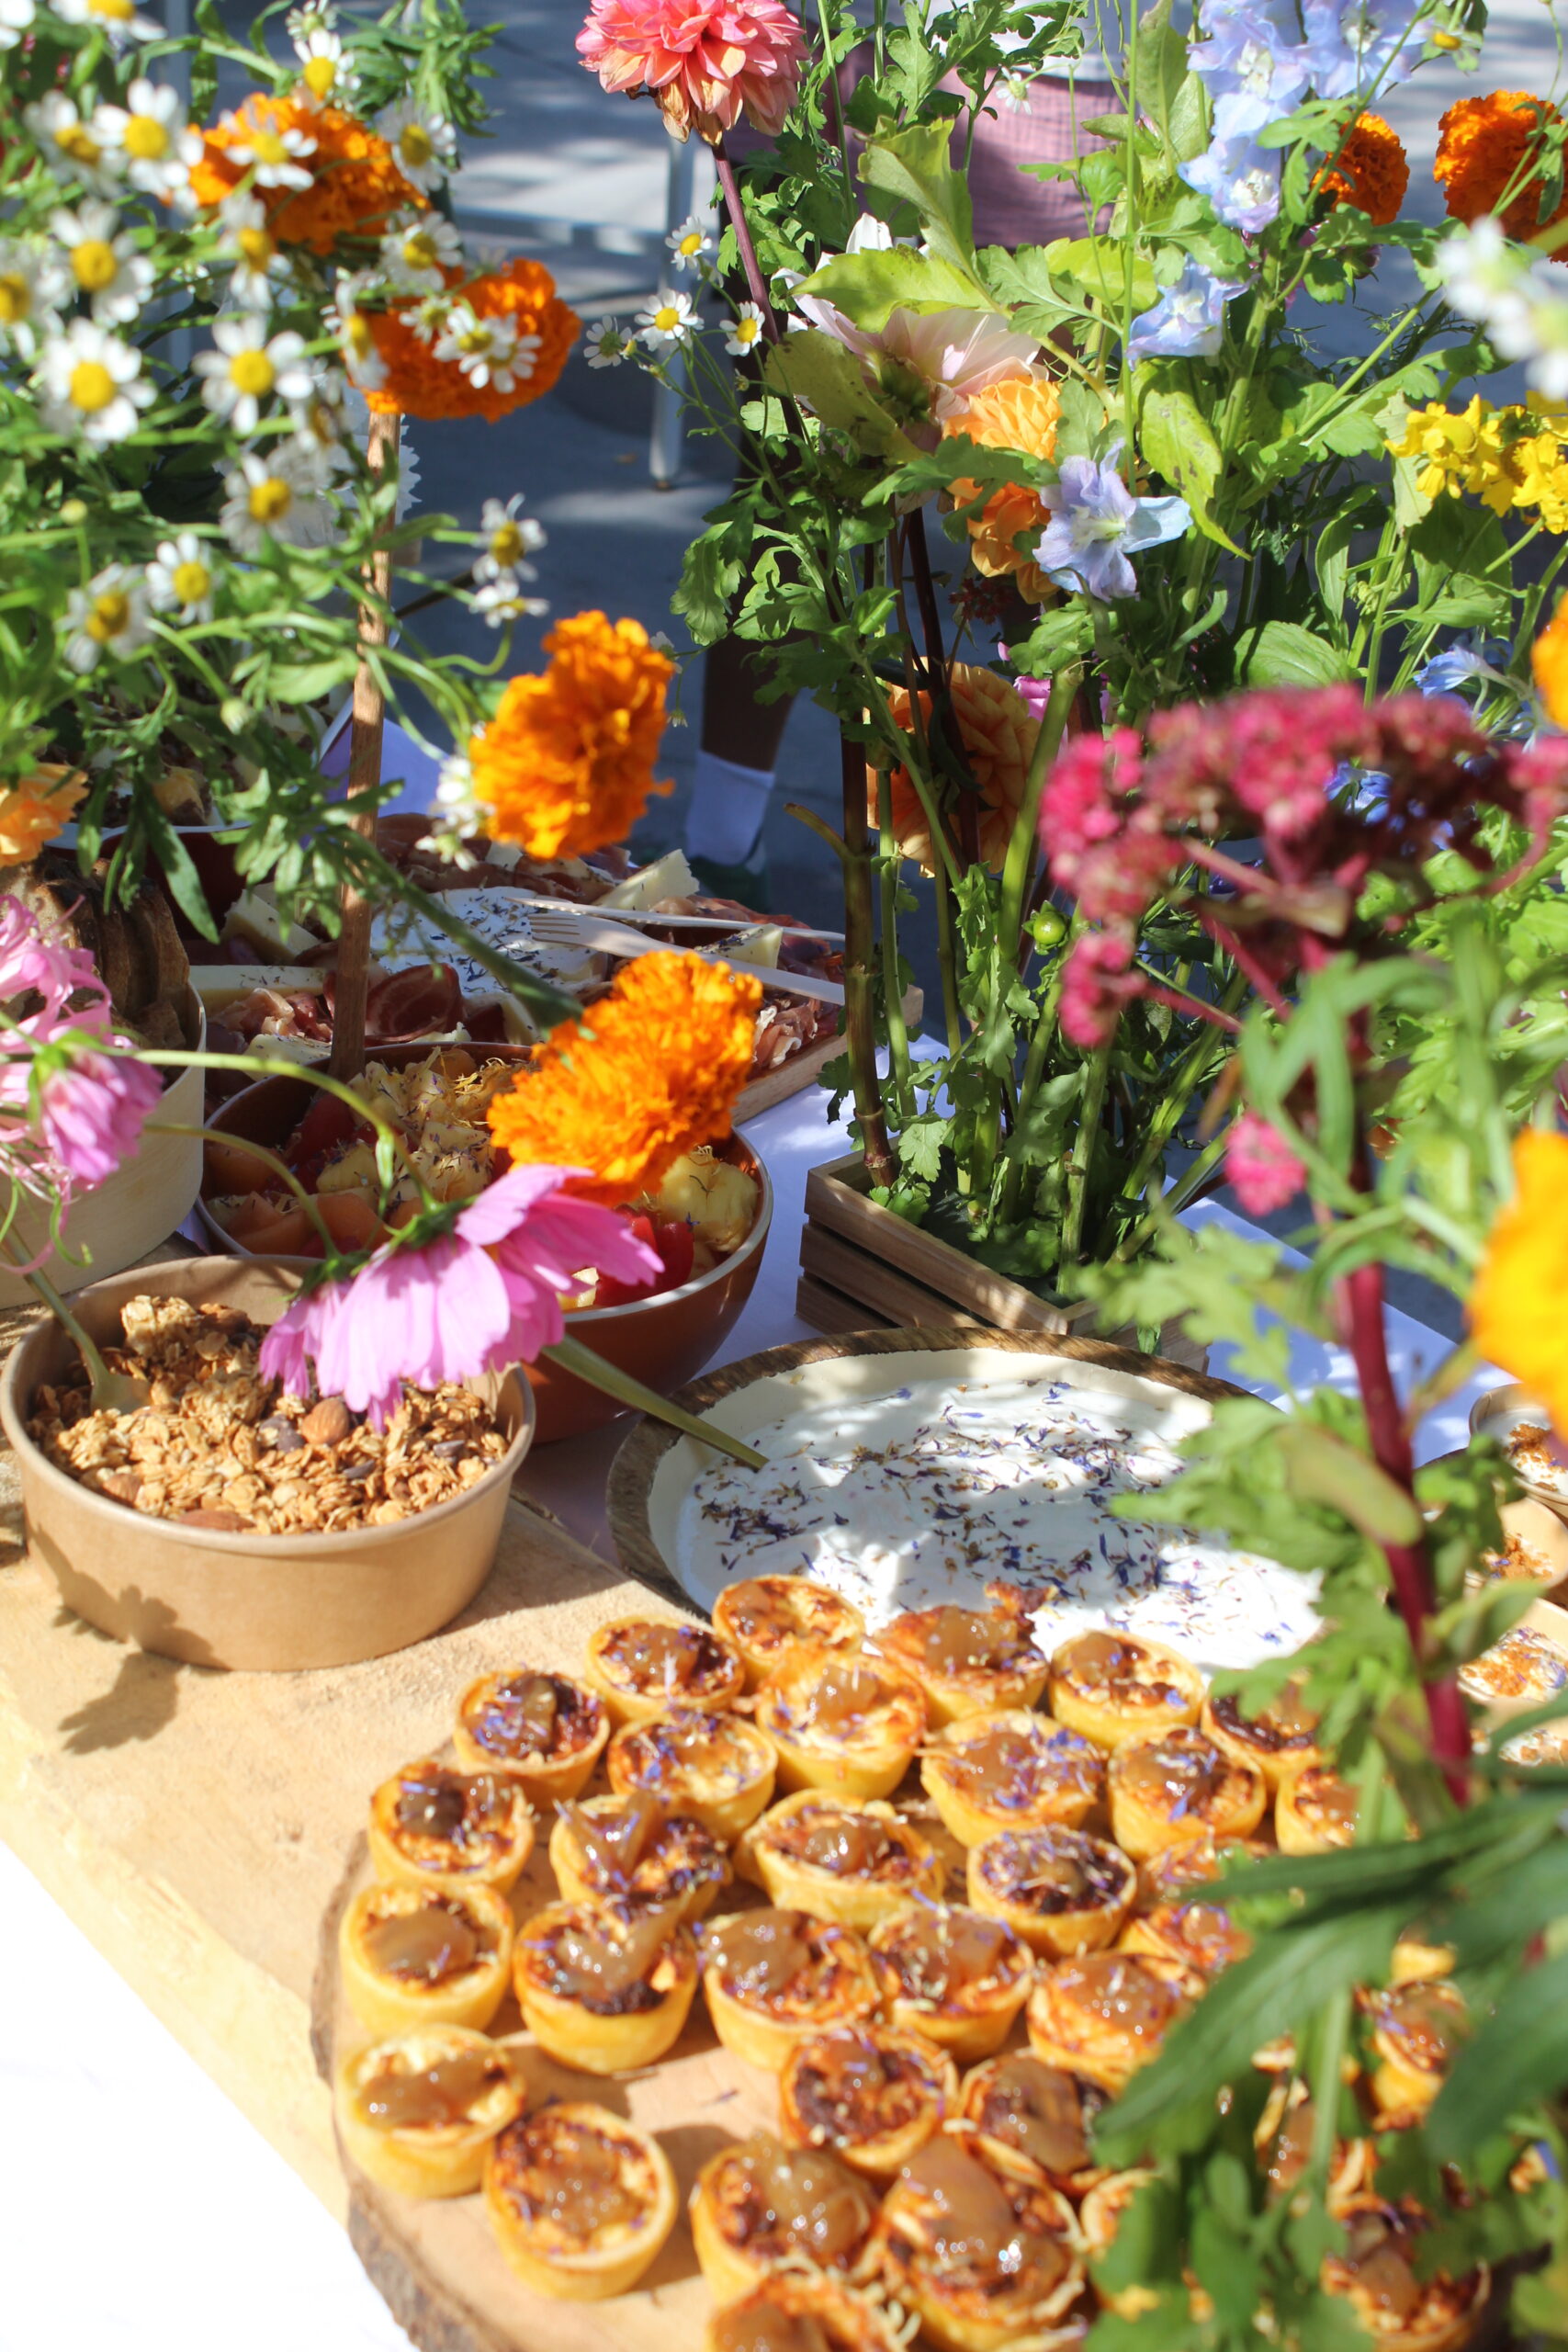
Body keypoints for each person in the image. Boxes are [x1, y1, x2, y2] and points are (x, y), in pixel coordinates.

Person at [683, 11, 1124, 898]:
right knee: (791, 497)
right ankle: (718, 845)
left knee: (1048, 516)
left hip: (1077, 112)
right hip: (867, 69)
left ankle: (1051, 888)